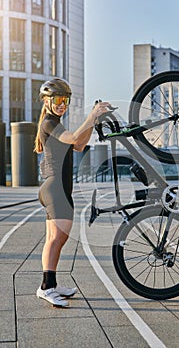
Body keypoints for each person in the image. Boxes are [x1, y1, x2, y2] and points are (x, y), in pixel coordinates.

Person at [34, 78, 110, 307]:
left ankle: (51, 284)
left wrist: (93, 120)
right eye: (57, 99)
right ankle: (46, 288)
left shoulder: (56, 123)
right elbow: (75, 138)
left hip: (59, 188)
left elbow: (78, 145)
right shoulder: (49, 122)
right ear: (46, 101)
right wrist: (92, 115)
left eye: (65, 100)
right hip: (55, 188)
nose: (62, 104)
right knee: (57, 238)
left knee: (58, 238)